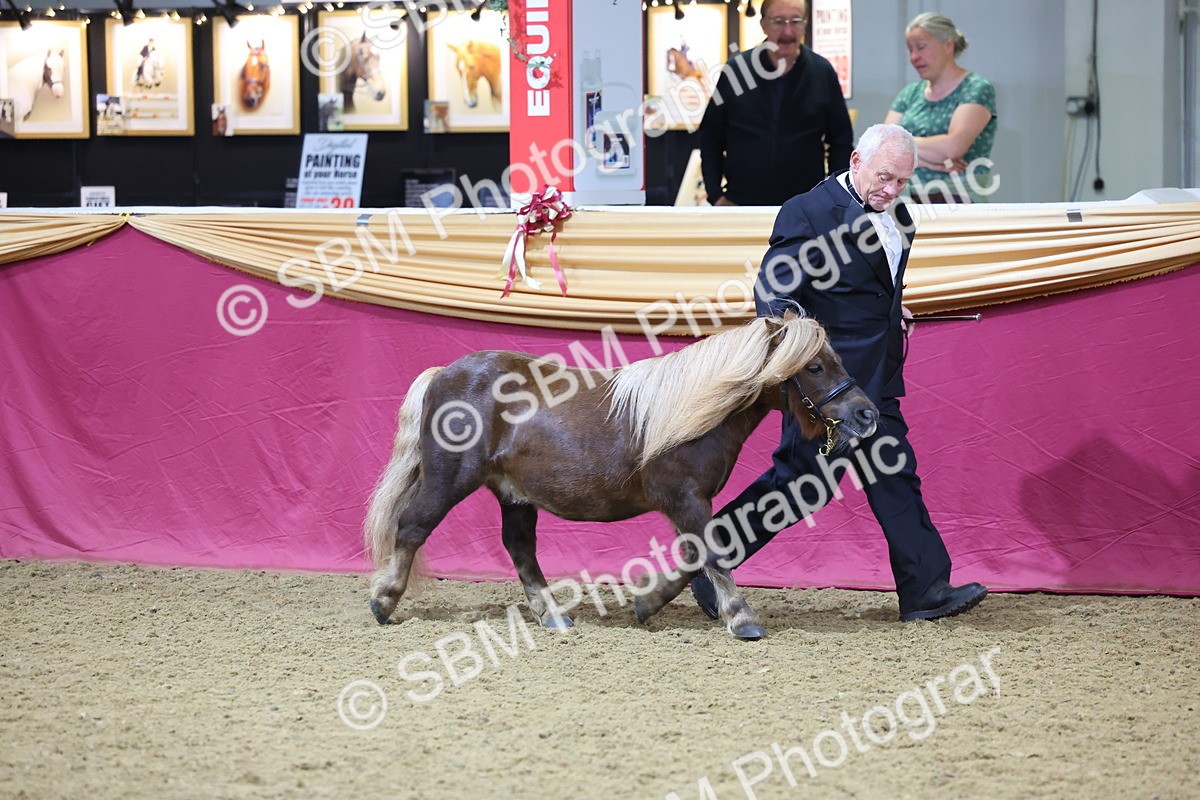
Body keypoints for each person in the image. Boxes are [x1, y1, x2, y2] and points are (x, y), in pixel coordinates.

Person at [689, 123, 987, 623]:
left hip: (879, 378)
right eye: (884, 177)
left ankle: (926, 591)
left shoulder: (900, 217)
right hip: (829, 388)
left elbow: (873, 289)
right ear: (855, 160)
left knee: (894, 475)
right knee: (803, 483)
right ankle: (709, 561)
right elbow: (775, 290)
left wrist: (897, 310)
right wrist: (795, 341)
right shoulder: (806, 211)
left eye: (901, 181)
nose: (891, 190)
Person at [698, 0, 853, 206]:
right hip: (741, 204)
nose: (788, 31)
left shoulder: (822, 72)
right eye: (778, 21)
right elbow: (710, 135)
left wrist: (835, 198)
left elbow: (841, 141)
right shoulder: (737, 70)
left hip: (805, 208)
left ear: (805, 24)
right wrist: (715, 194)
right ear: (763, 25)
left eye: (796, 21)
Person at [884, 13, 997, 203]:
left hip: (957, 199)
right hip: (906, 199)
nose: (914, 57)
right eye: (910, 49)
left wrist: (904, 147)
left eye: (921, 47)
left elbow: (953, 148)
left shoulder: (975, 88)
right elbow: (883, 145)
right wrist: (927, 159)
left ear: (948, 45)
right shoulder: (909, 93)